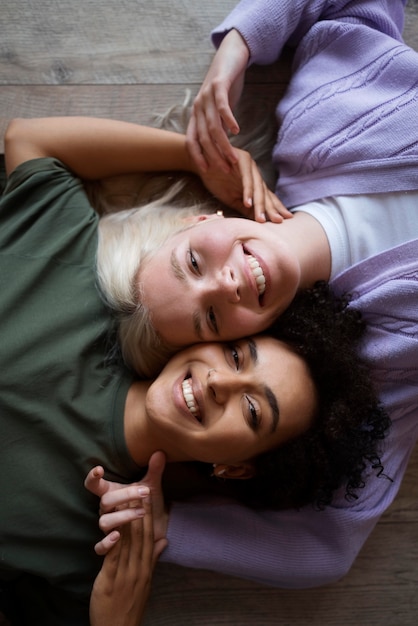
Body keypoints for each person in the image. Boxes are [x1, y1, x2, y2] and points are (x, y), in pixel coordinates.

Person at [0, 117, 385, 624]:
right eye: (235, 355)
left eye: (252, 410)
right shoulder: (73, 271)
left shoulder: (100, 548)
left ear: (235, 467)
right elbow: (26, 139)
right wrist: (196, 153)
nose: (220, 383)